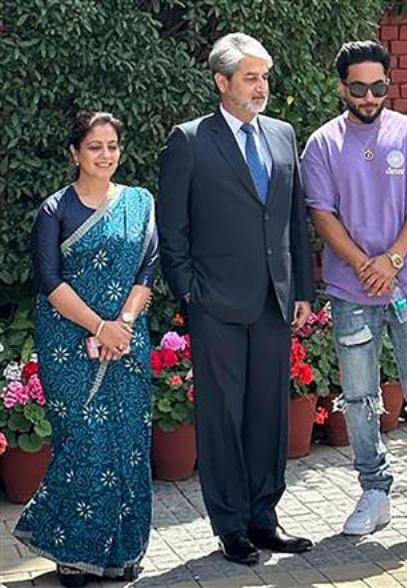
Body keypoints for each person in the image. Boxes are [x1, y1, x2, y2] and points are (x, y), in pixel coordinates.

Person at [301, 40, 407, 540]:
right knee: (358, 397)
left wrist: (391, 260)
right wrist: (364, 264)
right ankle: (374, 492)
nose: (369, 97)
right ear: (342, 88)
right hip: (351, 290)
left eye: (378, 87)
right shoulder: (323, 144)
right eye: (359, 88)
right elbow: (321, 214)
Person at [157, 32, 314, 564]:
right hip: (216, 304)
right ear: (222, 82)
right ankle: (230, 527)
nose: (261, 87)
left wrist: (302, 289)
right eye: (250, 78)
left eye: (264, 77)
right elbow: (172, 229)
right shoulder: (190, 140)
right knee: (222, 417)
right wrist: (189, 292)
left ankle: (264, 519)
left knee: (269, 414)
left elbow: (293, 219)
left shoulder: (283, 134)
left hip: (274, 301)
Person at [13, 112, 157, 587]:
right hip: (68, 345)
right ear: (75, 152)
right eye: (94, 146)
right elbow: (50, 280)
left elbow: (148, 268)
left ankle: (122, 552)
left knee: (128, 445)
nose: (105, 155)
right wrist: (99, 326)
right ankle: (74, 553)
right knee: (84, 443)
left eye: (112, 145)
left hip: (126, 344)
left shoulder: (139, 202)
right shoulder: (55, 210)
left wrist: (124, 326)